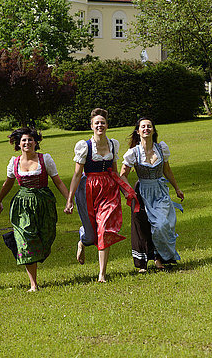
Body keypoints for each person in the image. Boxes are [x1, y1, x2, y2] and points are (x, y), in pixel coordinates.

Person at [64, 108, 139, 282]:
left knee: (104, 229)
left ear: (107, 125)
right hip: (88, 189)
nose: (100, 125)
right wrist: (69, 200)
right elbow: (76, 174)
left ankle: (102, 274)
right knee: (92, 235)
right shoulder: (84, 146)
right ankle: (83, 241)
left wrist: (128, 191)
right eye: (96, 123)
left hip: (109, 189)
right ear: (91, 126)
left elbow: (114, 169)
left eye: (102, 122)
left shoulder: (113, 144)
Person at [0, 127, 68, 292]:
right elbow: (8, 184)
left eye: (30, 140)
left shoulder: (45, 159)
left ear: (36, 142)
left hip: (43, 203)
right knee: (25, 240)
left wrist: (69, 200)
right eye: (24, 140)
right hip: (22, 205)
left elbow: (58, 181)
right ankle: (33, 283)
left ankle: (38, 257)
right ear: (18, 144)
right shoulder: (14, 162)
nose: (27, 143)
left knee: (45, 237)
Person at [120, 117, 184, 272]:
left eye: (149, 126)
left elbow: (167, 170)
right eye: (143, 126)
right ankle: (148, 261)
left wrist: (177, 188)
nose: (146, 129)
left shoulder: (161, 148)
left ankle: (161, 256)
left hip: (160, 191)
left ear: (153, 130)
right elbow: (122, 174)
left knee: (161, 224)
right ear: (138, 131)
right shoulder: (133, 153)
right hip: (142, 192)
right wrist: (129, 193)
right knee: (143, 227)